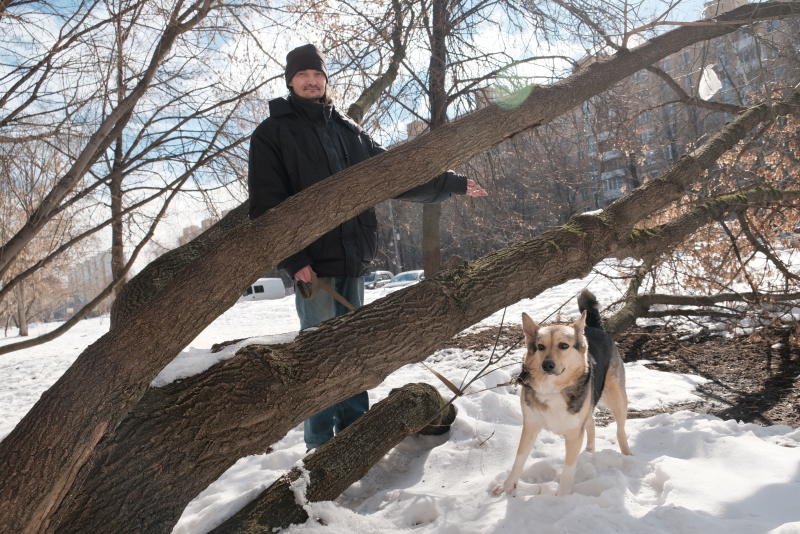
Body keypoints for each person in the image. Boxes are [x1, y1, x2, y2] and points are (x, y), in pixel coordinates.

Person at [248, 43, 487, 451]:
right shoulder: (273, 133)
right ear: (289, 81)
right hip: (313, 268)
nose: (311, 81)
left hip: (352, 261)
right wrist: (295, 259)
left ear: (326, 81)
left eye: (317, 75)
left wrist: (450, 183)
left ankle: (356, 437)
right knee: (321, 358)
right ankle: (320, 447)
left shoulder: (348, 131)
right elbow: (268, 203)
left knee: (355, 352)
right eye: (303, 75)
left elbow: (395, 174)